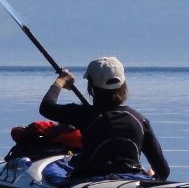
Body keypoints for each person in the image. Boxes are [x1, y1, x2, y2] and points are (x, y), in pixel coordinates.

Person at [39, 56, 170, 181]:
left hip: (89, 180)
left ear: (91, 87)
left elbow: (46, 107)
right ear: (123, 85)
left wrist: (60, 81)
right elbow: (163, 171)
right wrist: (151, 174)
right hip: (133, 178)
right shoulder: (140, 120)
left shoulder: (82, 114)